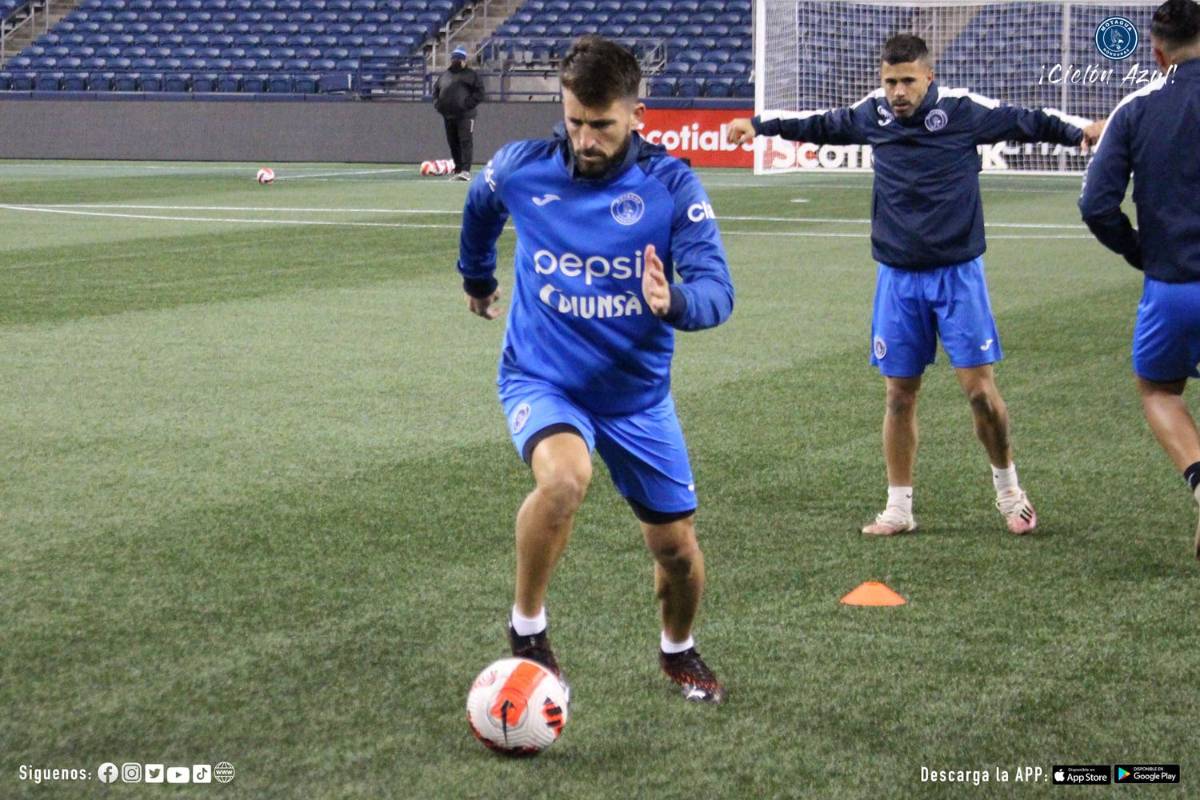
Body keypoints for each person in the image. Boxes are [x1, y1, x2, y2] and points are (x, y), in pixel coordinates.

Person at [727, 34, 1102, 536]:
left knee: (980, 395)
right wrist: (757, 125)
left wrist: (1080, 132)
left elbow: (1026, 118)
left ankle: (1010, 491)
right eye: (889, 82)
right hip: (897, 279)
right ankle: (899, 507)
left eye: (906, 81)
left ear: (929, 76)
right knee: (899, 396)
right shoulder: (874, 115)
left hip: (957, 276)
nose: (897, 92)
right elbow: (820, 122)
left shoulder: (963, 112)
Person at [456, 36, 735, 702]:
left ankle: (678, 650)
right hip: (543, 377)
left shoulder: (671, 185)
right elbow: (479, 202)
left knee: (676, 553)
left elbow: (719, 292)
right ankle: (528, 630)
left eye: (602, 125)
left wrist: (676, 302)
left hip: (637, 398)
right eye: (575, 120)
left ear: (637, 113)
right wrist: (477, 276)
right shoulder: (523, 168)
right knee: (564, 481)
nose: (585, 138)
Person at [1080, 0, 1200, 557]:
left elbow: (1096, 205)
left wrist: (1141, 253)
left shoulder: (1136, 107)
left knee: (1158, 389)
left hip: (1172, 284)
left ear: (1156, 54)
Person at [433, 46, 485, 181]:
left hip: (465, 116)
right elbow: (436, 91)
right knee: (453, 142)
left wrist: (467, 104)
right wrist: (438, 105)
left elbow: (480, 93)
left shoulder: (471, 75)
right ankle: (458, 169)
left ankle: (465, 171)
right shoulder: (445, 75)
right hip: (448, 115)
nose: (456, 61)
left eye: (458, 59)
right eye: (454, 58)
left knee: (465, 141)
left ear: (464, 60)